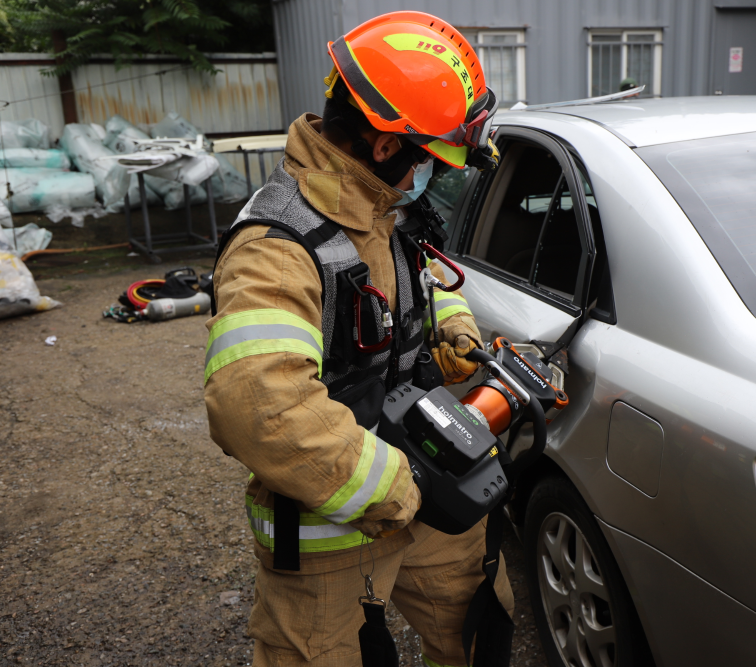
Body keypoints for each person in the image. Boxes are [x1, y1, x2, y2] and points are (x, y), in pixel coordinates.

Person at [203, 11, 512, 667]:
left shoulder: (383, 208)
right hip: (328, 535)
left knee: (481, 616)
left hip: (420, 499)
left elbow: (423, 280)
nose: (434, 174)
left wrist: (452, 330)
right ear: (383, 146)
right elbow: (261, 407)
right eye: (432, 159)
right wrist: (399, 488)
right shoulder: (274, 249)